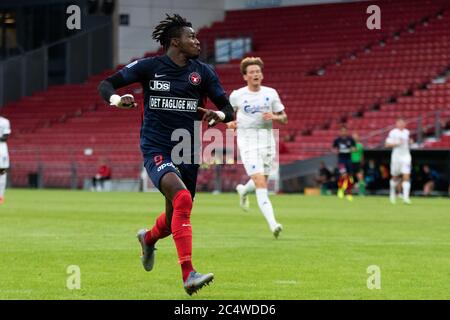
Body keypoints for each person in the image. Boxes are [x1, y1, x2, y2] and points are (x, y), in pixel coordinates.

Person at [97, 14, 234, 295]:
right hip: (156, 146)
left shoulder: (203, 72)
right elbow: (106, 84)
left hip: (188, 149)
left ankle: (148, 239)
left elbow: (229, 110)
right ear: (175, 41)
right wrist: (116, 100)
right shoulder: (149, 67)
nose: (197, 41)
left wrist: (217, 114)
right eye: (191, 37)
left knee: (176, 217)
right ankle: (188, 274)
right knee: (182, 198)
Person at [226, 57, 287, 239]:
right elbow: (227, 115)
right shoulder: (237, 95)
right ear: (245, 76)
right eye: (251, 72)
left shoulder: (271, 93)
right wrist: (230, 123)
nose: (255, 74)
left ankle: (243, 190)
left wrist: (275, 117)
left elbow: (284, 118)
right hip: (248, 141)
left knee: (262, 180)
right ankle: (273, 224)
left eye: (258, 72)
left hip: (267, 141)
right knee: (261, 183)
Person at [385, 118, 412, 204]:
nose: (401, 125)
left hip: (406, 157)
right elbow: (386, 144)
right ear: (396, 124)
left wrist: (410, 141)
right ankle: (392, 193)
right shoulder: (393, 132)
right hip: (396, 157)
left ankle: (406, 197)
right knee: (395, 177)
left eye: (402, 123)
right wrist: (396, 144)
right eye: (399, 123)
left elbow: (409, 141)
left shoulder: (407, 132)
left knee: (406, 175)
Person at [0, 116, 11, 204]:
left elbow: (5, 136)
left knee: (1, 174)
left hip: (1, 151)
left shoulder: (4, 121)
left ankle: (0, 196)